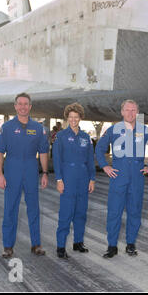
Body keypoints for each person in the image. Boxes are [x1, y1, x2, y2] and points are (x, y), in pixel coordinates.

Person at [95, 99, 148, 258]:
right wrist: (105, 166)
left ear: (137, 112)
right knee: (114, 212)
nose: (130, 113)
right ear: (122, 112)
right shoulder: (113, 130)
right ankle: (112, 246)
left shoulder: (145, 130)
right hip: (118, 176)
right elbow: (99, 148)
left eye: (133, 110)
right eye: (127, 110)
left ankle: (130, 244)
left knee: (135, 212)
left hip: (137, 177)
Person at [0, 93, 49, 258]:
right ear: (15, 106)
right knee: (10, 208)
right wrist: (0, 174)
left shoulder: (39, 128)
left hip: (31, 171)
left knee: (33, 208)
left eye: (26, 104)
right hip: (12, 170)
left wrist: (45, 173)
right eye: (20, 104)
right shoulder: (7, 127)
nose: (23, 107)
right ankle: (7, 246)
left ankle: (36, 244)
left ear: (30, 106)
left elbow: (43, 152)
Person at [53, 103, 96, 259]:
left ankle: (78, 242)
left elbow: (90, 160)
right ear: (67, 118)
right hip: (68, 178)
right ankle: (60, 246)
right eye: (70, 117)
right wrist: (59, 179)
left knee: (81, 213)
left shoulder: (86, 137)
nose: (73, 119)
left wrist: (92, 179)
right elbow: (57, 160)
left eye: (76, 117)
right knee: (66, 213)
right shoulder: (61, 136)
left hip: (83, 178)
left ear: (80, 118)